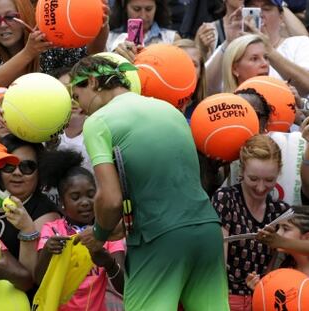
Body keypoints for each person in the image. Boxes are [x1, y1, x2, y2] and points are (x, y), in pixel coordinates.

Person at [70, 56, 229, 310]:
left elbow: (110, 199)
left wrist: (99, 234)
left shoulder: (98, 122)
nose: (81, 108)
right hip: (206, 230)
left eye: (77, 97)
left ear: (91, 81)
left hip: (158, 239)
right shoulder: (169, 109)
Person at [0, 0, 109, 132]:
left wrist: (101, 25)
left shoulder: (48, 46)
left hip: (46, 134)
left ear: (25, 16)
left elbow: (92, 55)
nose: (2, 25)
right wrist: (29, 52)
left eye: (10, 17)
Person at [35, 149, 125, 310]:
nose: (85, 202)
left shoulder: (108, 231)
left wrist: (109, 263)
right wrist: (48, 251)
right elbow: (39, 280)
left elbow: (123, 287)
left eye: (91, 195)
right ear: (62, 202)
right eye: (75, 197)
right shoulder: (52, 230)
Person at [212, 134, 290, 311]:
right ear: (241, 172)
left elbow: (274, 263)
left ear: (279, 174)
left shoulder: (280, 211)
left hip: (262, 297)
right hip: (226, 295)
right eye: (253, 179)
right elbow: (219, 259)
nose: (261, 187)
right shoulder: (226, 199)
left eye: (269, 180)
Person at [0, 134, 60, 259]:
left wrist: (27, 230)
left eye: (27, 167)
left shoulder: (47, 214)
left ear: (40, 170)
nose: (17, 173)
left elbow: (33, 274)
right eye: (8, 166)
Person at [247, 205, 309, 289]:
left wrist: (280, 241)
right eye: (279, 228)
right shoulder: (286, 266)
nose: (278, 234)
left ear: (307, 237)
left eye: (286, 229)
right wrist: (261, 290)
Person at [107, 0, 180, 52]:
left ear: (157, 8)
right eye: (136, 9)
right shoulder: (109, 38)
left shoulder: (172, 39)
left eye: (149, 9)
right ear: (125, 7)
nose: (143, 16)